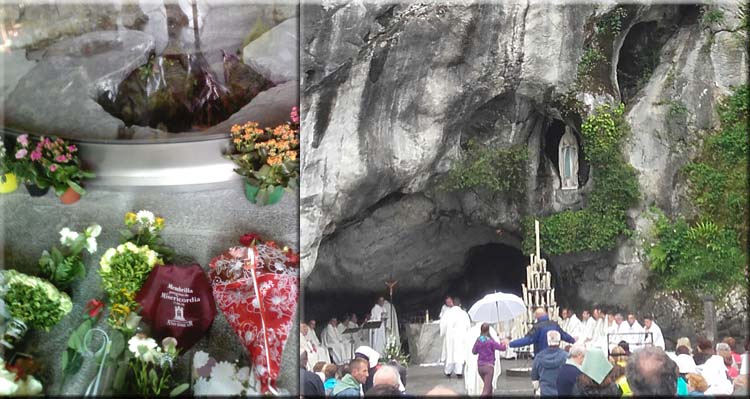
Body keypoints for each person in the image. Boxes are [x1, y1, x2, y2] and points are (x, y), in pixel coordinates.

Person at [509, 307, 575, 356]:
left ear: (537, 316)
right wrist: (573, 340)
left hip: (541, 356)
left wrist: (511, 344)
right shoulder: (555, 325)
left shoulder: (537, 327)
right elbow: (564, 336)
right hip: (555, 354)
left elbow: (527, 340)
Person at [470, 322, 507, 397]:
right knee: (486, 390)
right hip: (489, 367)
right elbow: (502, 348)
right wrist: (503, 342)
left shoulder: (479, 340)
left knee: (489, 387)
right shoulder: (491, 341)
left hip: (480, 367)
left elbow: (474, 351)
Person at [439, 297, 471, 378]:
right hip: (461, 337)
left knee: (450, 353)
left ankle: (448, 371)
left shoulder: (447, 313)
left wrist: (442, 333)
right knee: (459, 353)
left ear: (453, 303)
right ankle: (459, 372)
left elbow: (443, 325)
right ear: (460, 304)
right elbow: (468, 326)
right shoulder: (464, 314)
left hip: (450, 337)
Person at [531, 330, 568, 396]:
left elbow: (534, 377)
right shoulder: (565, 356)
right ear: (559, 342)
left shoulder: (539, 356)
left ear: (547, 341)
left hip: (545, 392)